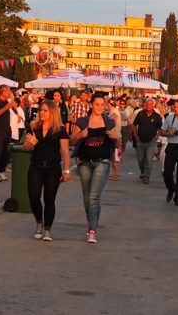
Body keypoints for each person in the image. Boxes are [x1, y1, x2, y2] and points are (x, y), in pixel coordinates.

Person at [70, 94, 121, 243]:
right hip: (85, 162)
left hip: (102, 162)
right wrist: (81, 135)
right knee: (87, 199)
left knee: (94, 197)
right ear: (91, 105)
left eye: (102, 105)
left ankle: (93, 230)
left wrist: (116, 137)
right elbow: (71, 140)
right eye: (96, 104)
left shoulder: (109, 122)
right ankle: (90, 221)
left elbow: (117, 144)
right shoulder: (82, 121)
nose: (99, 107)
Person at [23, 100, 70, 241]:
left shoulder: (60, 129)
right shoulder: (34, 127)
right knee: (33, 196)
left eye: (45, 110)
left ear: (52, 113)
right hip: (36, 166)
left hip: (53, 167)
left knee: (49, 199)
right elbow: (26, 147)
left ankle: (48, 229)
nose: (42, 113)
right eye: (41, 110)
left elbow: (64, 151)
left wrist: (66, 171)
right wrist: (31, 144)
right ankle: (39, 222)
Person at [131, 99, 162, 184]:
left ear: (153, 105)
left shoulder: (157, 116)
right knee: (140, 160)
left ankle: (146, 176)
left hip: (151, 141)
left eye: (150, 104)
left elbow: (161, 129)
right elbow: (134, 124)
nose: (148, 106)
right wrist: (135, 134)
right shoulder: (140, 114)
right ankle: (143, 172)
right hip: (140, 140)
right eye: (147, 104)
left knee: (149, 159)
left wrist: (157, 136)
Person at [107, 99, 123, 181]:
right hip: (115, 136)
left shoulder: (114, 112)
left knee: (115, 157)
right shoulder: (114, 111)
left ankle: (117, 174)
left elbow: (112, 123)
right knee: (112, 157)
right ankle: (111, 174)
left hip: (115, 137)